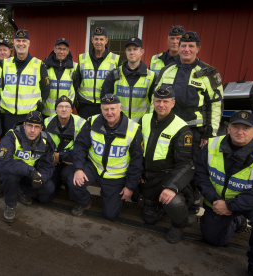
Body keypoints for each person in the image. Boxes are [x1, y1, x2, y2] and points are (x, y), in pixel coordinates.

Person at [195, 111, 253, 276]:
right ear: (228, 128)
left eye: (246, 128)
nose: (239, 132)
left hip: (250, 204)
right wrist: (215, 200)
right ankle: (236, 221)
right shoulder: (211, 146)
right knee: (212, 239)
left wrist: (231, 206)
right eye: (236, 127)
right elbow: (200, 176)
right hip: (218, 202)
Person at [154, 31, 223, 224]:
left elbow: (216, 104)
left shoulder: (208, 72)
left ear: (198, 49)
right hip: (169, 127)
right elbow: (157, 98)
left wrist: (209, 133)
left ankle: (192, 205)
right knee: (168, 164)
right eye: (183, 45)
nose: (186, 49)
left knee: (191, 168)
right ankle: (169, 200)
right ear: (177, 47)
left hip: (194, 130)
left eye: (191, 46)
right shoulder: (167, 70)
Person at [69, 94, 143, 221]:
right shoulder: (92, 121)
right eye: (106, 109)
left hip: (116, 175)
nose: (109, 113)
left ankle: (110, 197)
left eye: (113, 109)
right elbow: (80, 146)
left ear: (120, 108)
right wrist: (78, 169)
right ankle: (85, 202)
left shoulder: (133, 129)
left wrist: (130, 186)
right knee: (73, 181)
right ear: (101, 109)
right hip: (94, 167)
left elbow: (137, 161)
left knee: (110, 215)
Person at [138, 85, 194, 243]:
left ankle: (179, 224)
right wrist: (137, 172)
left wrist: (171, 187)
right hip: (148, 176)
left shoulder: (182, 128)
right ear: (153, 102)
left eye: (165, 101)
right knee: (149, 219)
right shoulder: (145, 118)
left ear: (173, 103)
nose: (161, 105)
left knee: (173, 201)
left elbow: (186, 164)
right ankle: (158, 206)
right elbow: (137, 149)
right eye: (158, 101)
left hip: (167, 177)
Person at [0, 111, 56, 223]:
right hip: (14, 172)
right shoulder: (12, 136)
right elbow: (2, 163)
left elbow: (49, 165)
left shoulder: (46, 140)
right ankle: (10, 205)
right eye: (29, 125)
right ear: (24, 125)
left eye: (36, 127)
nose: (32, 130)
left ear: (41, 128)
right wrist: (30, 171)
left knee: (48, 190)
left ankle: (21, 190)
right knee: (9, 178)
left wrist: (42, 177)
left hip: (30, 174)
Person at [0, 29, 50, 131]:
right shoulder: (6, 63)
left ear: (28, 43)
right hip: (9, 115)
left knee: (27, 145)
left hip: (29, 116)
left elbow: (45, 88)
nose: (21, 44)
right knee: (10, 144)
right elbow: (3, 85)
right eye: (18, 41)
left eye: (24, 41)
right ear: (14, 43)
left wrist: (37, 105)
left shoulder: (38, 64)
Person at [101, 37, 156, 123]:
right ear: (125, 52)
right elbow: (104, 99)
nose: (132, 52)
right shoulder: (115, 74)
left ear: (142, 52)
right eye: (129, 50)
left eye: (135, 49)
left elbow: (154, 103)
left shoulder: (151, 76)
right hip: (118, 123)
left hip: (141, 124)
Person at [74, 27, 120, 119]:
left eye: (101, 39)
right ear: (92, 40)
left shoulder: (115, 59)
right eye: (96, 39)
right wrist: (76, 101)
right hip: (85, 106)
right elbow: (76, 83)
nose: (98, 42)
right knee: (84, 133)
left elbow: (117, 85)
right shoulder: (82, 58)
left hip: (105, 106)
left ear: (106, 41)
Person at [44, 96, 86, 192]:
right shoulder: (47, 122)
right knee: (46, 193)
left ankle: (70, 193)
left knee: (68, 177)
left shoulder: (81, 123)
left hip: (71, 160)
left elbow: (82, 150)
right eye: (60, 106)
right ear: (55, 109)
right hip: (52, 160)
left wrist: (61, 156)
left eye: (67, 107)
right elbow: (43, 146)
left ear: (71, 109)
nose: (64, 109)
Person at [42, 38, 77, 117]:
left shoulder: (74, 67)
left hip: (64, 113)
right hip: (46, 112)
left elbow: (75, 87)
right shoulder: (44, 66)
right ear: (54, 49)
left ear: (68, 51)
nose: (61, 52)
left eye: (64, 49)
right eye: (59, 49)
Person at [0, 39, 12, 136]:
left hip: (12, 112)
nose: (2, 52)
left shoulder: (16, 66)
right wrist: (2, 102)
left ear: (10, 51)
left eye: (5, 50)